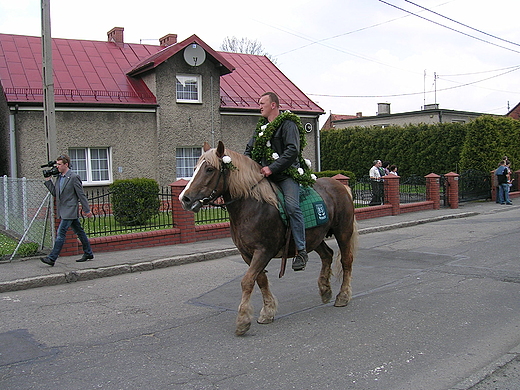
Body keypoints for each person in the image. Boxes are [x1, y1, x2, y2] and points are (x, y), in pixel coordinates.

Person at [245, 92, 308, 271]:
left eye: (262, 103)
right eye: (259, 103)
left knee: (292, 207)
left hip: (286, 175)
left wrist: (272, 167)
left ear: (273, 105)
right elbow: (249, 149)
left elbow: (292, 151)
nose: (259, 106)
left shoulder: (288, 124)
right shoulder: (261, 128)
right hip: (266, 177)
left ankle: (301, 251)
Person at [41, 154, 94, 266]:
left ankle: (52, 258)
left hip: (70, 210)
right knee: (79, 231)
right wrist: (48, 181)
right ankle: (88, 253)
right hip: (63, 210)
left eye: (60, 164)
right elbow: (55, 193)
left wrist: (87, 210)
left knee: (61, 233)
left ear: (66, 164)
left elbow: (81, 195)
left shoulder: (74, 177)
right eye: (57, 164)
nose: (57, 167)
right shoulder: (59, 177)